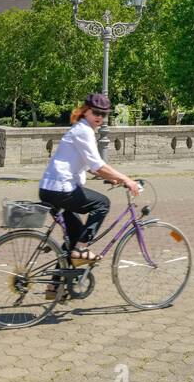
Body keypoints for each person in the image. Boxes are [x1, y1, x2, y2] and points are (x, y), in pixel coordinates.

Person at [38, 93, 141, 268]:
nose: (99, 117)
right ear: (86, 111)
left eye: (104, 114)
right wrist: (127, 180)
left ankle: (54, 287)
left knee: (75, 236)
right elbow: (98, 166)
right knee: (102, 204)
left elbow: (90, 166)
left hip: (50, 189)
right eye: (96, 113)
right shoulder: (84, 131)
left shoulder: (80, 129)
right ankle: (82, 249)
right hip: (61, 189)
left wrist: (112, 178)